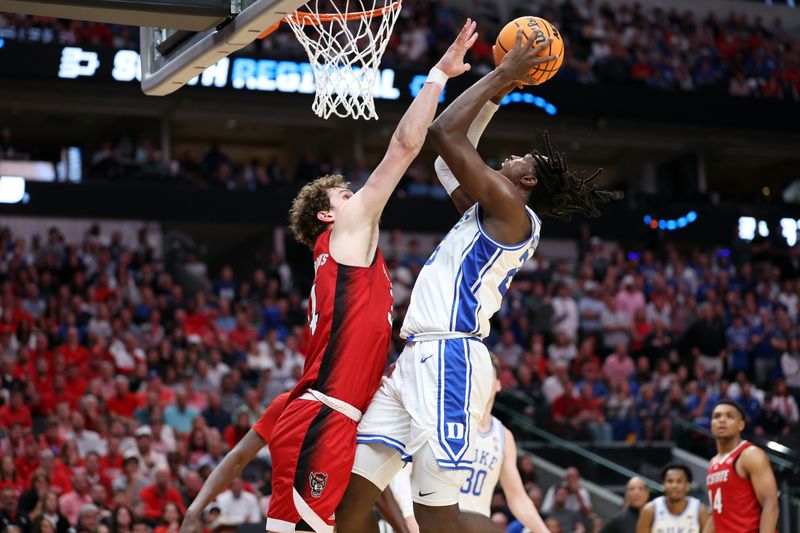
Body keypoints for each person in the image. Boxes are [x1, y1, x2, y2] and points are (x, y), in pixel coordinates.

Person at [182, 22, 479, 533]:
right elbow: (405, 146)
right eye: (344, 194)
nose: (356, 195)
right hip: (322, 418)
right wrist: (437, 74)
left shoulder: (349, 255)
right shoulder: (346, 235)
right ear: (326, 216)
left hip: (343, 418)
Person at [337, 28, 619, 533]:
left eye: (518, 160)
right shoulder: (486, 211)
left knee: (434, 515)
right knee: (354, 494)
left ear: (527, 182)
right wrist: (500, 88)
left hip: (451, 357)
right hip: (414, 360)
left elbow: (445, 132)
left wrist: (505, 74)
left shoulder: (511, 210)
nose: (506, 157)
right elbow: (450, 158)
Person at [458, 354, 548, 532]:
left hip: (477, 526)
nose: (480, 380)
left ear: (498, 384)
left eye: (486, 374)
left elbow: (517, 498)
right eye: (476, 374)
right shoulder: (452, 421)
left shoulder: (503, 436)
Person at [704, 400, 779, 532]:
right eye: (716, 416)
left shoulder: (749, 455)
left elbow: (770, 503)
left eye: (729, 416)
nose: (721, 420)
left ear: (741, 425)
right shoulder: (713, 463)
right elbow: (717, 514)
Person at [637, 463, 708, 533]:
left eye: (679, 481)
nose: (674, 485)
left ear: (687, 485)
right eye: (670, 481)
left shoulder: (700, 510)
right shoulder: (650, 510)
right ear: (663, 484)